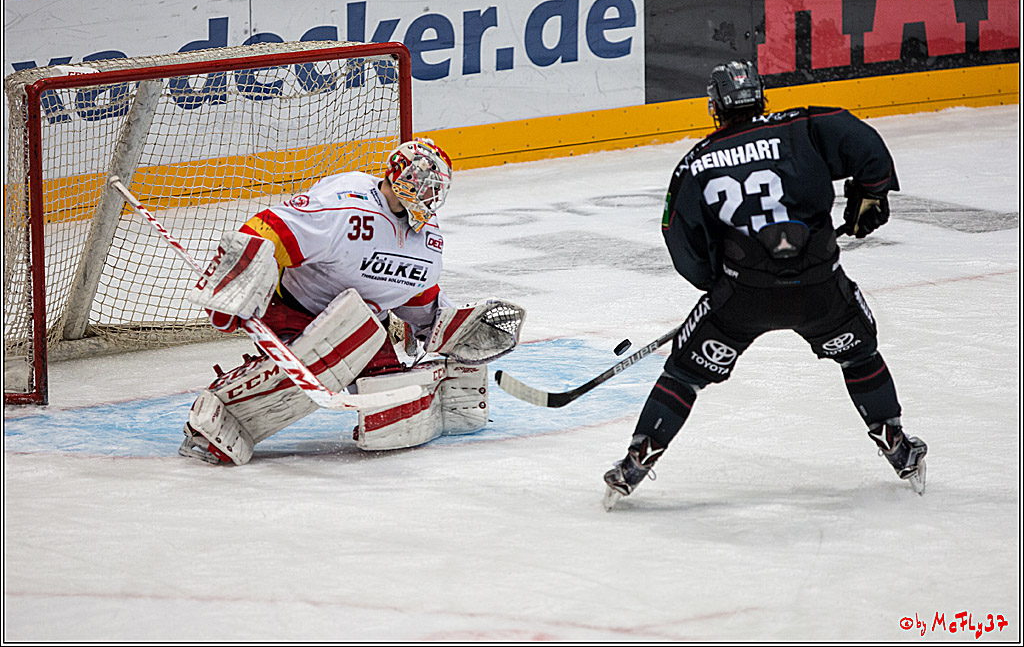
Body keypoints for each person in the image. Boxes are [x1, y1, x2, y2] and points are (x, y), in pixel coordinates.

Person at [602, 60, 927, 509]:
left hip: (742, 298)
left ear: (715, 106)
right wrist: (872, 192)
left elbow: (680, 240)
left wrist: (714, 284)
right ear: (761, 95)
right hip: (820, 290)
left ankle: (639, 457)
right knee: (859, 355)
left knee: (684, 373)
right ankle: (896, 444)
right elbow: (863, 141)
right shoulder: (806, 126)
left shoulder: (694, 164)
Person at [179, 138, 525, 465]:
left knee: (397, 404)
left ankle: (444, 411)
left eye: (435, 188)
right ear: (398, 172)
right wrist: (239, 282)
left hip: (361, 328)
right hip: (290, 308)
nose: (427, 193)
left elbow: (415, 295)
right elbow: (269, 229)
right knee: (346, 337)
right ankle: (222, 410)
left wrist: (446, 327)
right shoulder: (345, 207)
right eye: (421, 181)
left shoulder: (428, 241)